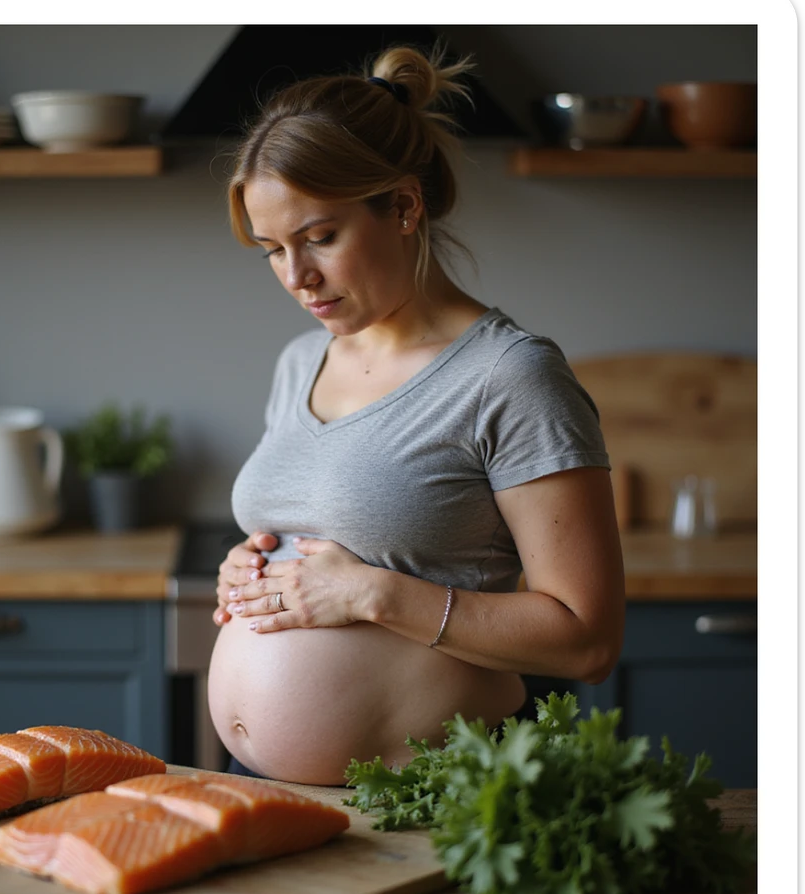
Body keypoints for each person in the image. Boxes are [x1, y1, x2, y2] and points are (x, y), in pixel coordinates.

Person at [206, 44, 626, 786]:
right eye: (272, 250)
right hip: (257, 776)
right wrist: (251, 572)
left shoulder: (511, 376)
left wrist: (375, 593)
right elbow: (323, 539)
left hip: (431, 792)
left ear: (404, 205)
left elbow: (587, 640)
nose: (296, 278)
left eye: (320, 238)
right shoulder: (303, 359)